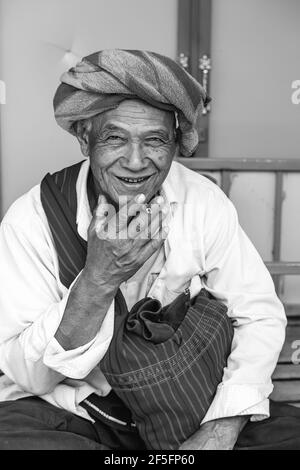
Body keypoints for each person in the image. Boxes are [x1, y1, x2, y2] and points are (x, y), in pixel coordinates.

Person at [0, 49, 296, 450]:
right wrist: (99, 278)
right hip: (81, 413)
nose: (136, 162)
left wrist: (222, 427)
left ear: (176, 143)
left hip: (193, 403)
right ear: (86, 138)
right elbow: (28, 375)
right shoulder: (32, 219)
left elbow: (257, 314)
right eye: (115, 138)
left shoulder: (203, 202)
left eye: (154, 139)